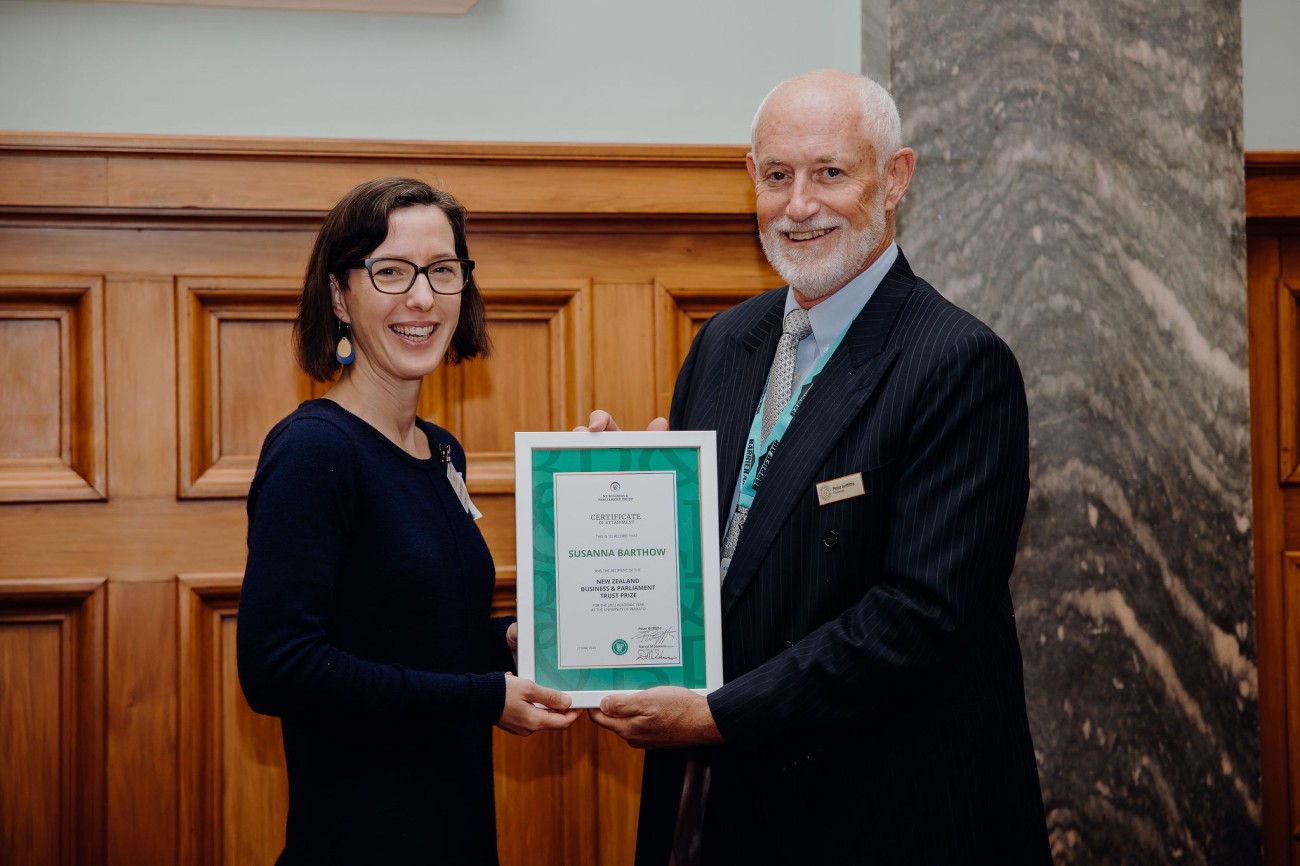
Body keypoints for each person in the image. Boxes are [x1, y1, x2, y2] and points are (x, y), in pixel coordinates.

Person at [587, 70, 1051, 864]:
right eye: (777, 176)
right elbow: (728, 563)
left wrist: (719, 716)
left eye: (830, 173)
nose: (799, 205)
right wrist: (620, 498)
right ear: (751, 183)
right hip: (722, 811)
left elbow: (920, 617)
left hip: (879, 814)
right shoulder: (724, 344)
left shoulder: (958, 363)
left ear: (895, 178)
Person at [237, 176, 580, 866]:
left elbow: (409, 638)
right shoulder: (314, 450)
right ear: (340, 295)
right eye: (390, 271)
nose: (421, 297)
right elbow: (280, 668)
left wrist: (507, 642)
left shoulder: (439, 448)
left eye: (442, 271)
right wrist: (483, 697)